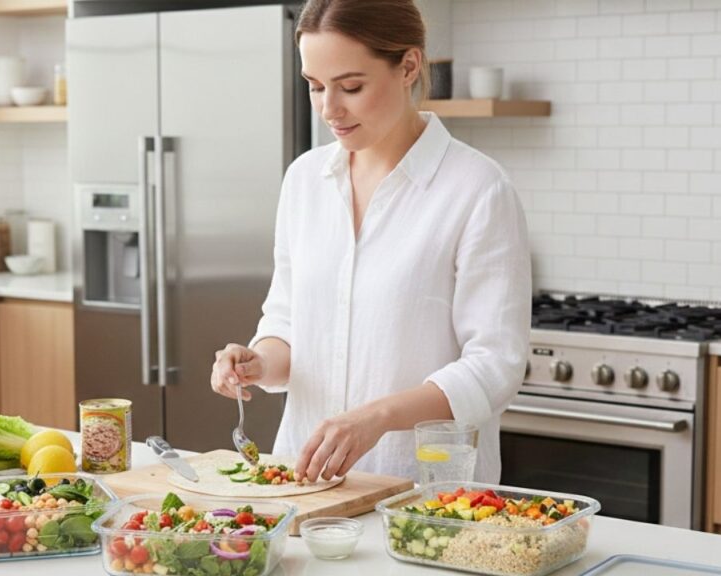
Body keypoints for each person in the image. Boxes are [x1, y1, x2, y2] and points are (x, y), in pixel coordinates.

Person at [210, 0, 531, 484]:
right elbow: (287, 321)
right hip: (306, 483)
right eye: (315, 87)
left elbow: (495, 366)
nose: (328, 109)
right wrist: (259, 361)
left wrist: (377, 418)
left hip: (423, 493)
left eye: (351, 87)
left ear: (408, 66)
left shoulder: (477, 188)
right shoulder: (304, 180)